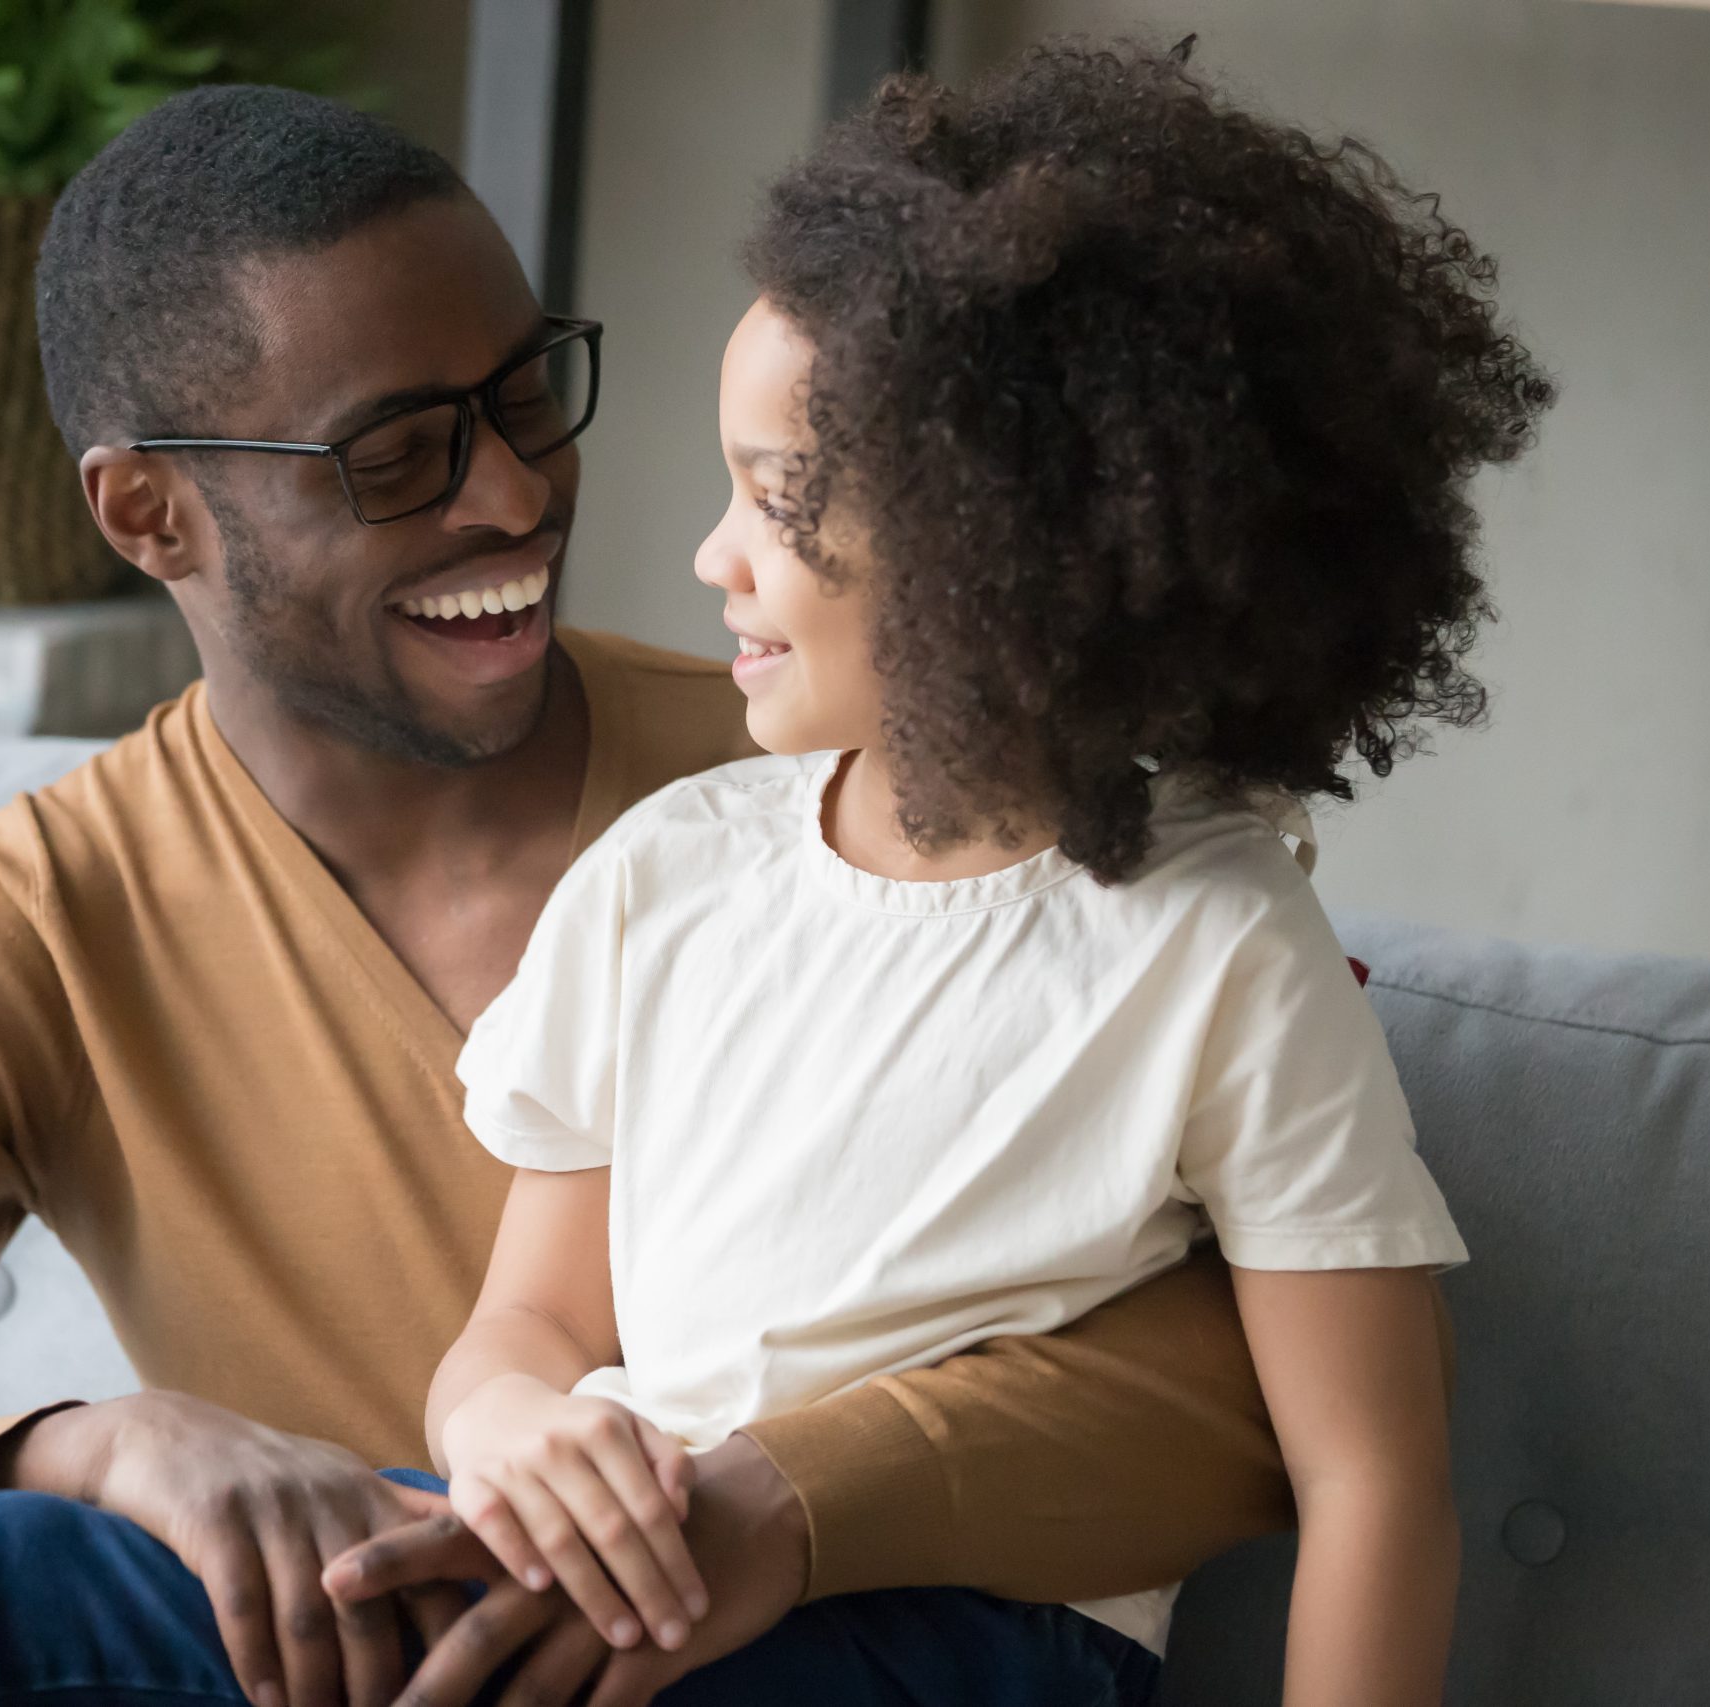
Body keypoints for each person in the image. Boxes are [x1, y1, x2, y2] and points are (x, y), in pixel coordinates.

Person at [0, 80, 1310, 1707]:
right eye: (398, 456)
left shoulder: (859, 768)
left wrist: (784, 1509)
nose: (521, 493)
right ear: (151, 514)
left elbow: (1257, 1395)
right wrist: (90, 1450)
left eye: (527, 395)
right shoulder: (21, 928)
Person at [423, 37, 1551, 1707]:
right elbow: (522, 1325)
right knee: (69, 1582)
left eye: (778, 498)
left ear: (996, 553)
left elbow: (1375, 1481)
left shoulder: (1216, 938)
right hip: (639, 1566)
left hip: (966, 1641)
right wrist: (507, 1423)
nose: (711, 554)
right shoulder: (671, 870)